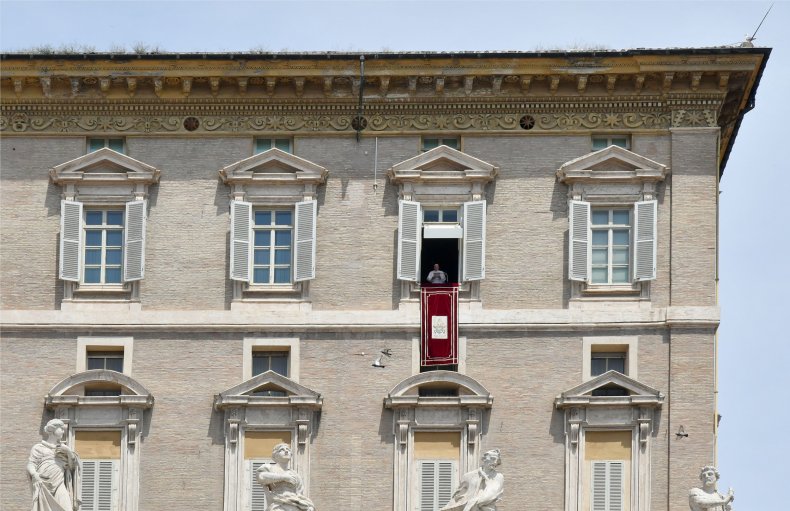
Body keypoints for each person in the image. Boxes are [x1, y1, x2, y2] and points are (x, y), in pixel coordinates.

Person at [27, 418, 81, 511]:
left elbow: (72, 468)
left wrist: (68, 452)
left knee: (67, 508)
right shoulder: (38, 447)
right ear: (53, 429)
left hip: (59, 483)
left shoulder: (63, 449)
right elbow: (31, 464)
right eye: (61, 429)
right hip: (43, 484)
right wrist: (34, 474)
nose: (63, 432)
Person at [256, 443, 316, 511]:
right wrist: (284, 477)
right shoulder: (269, 468)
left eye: (288, 450)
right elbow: (261, 477)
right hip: (278, 504)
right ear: (275, 455)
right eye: (282, 450)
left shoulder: (295, 474)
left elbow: (299, 493)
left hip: (294, 504)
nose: (286, 451)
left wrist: (307, 505)